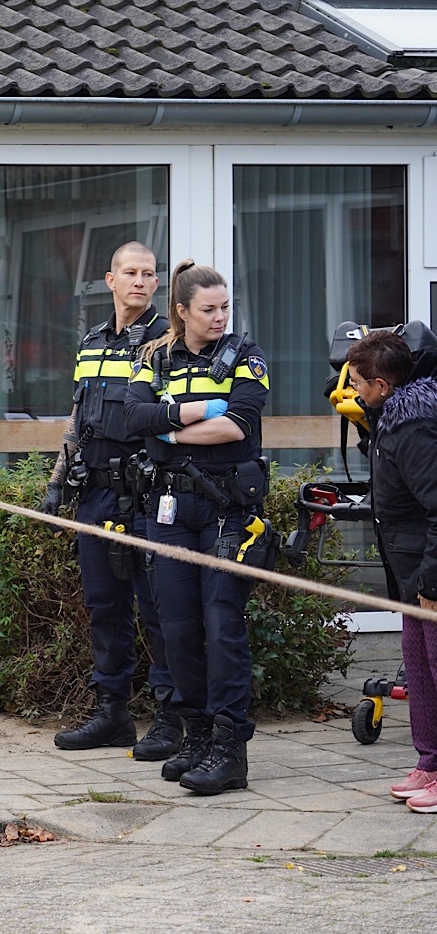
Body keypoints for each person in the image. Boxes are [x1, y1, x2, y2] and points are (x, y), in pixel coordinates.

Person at [124, 261, 270, 795]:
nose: (220, 317)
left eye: (225, 307)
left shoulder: (246, 355)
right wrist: (204, 409)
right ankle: (198, 736)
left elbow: (239, 425)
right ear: (182, 311)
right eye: (208, 309)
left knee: (222, 624)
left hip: (227, 510)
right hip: (170, 508)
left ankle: (230, 752)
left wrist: (168, 431)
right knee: (177, 626)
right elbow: (132, 418)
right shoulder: (154, 357)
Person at [42, 243, 178, 757]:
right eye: (131, 273)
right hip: (96, 494)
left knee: (160, 610)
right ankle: (112, 715)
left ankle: (171, 719)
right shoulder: (92, 342)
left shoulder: (167, 342)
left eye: (148, 274)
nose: (140, 281)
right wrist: (56, 486)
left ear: (156, 284)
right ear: (110, 280)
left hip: (147, 495)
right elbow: (77, 420)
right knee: (104, 608)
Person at [345, 330, 437, 811]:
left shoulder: (415, 427)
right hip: (409, 571)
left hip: (429, 573)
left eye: (358, 384)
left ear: (381, 385)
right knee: (418, 669)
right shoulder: (389, 419)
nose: (353, 391)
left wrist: (432, 582)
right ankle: (429, 763)